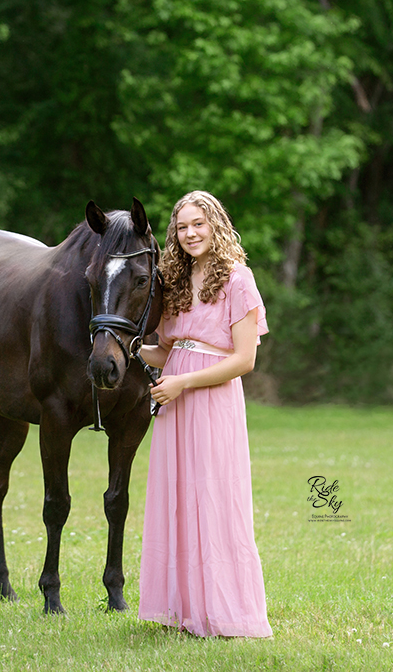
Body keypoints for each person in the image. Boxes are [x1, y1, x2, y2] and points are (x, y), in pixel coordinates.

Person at [137, 190, 272, 638]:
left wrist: (182, 382)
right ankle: (183, 611)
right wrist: (129, 349)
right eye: (182, 227)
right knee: (177, 499)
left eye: (199, 224)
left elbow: (243, 360)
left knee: (214, 499)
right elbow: (167, 353)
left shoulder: (238, 278)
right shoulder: (173, 279)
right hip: (174, 405)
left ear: (215, 226)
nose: (190, 233)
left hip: (211, 400)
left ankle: (226, 613)